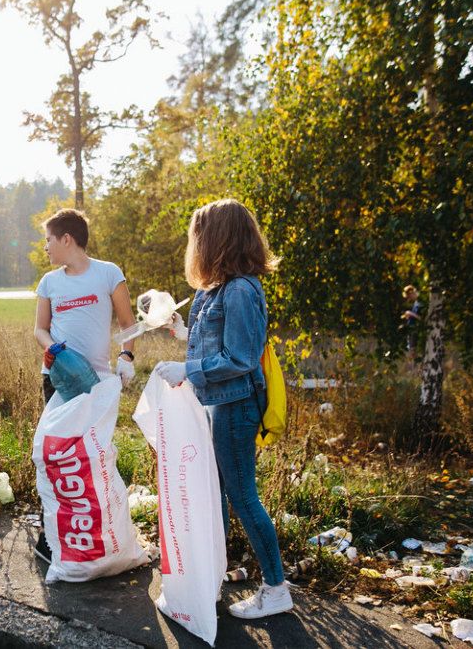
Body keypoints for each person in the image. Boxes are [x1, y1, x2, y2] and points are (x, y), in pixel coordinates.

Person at [154, 198, 293, 619]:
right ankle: (210, 579)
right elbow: (214, 342)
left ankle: (275, 588)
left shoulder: (241, 291)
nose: (194, 244)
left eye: (198, 236)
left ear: (217, 239)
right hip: (219, 404)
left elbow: (240, 358)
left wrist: (186, 368)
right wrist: (182, 333)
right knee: (215, 494)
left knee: (242, 497)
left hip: (236, 407)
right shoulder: (217, 289)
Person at [32, 208, 138, 562]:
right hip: (58, 380)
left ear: (67, 239)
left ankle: (95, 534)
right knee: (57, 459)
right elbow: (40, 328)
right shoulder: (49, 282)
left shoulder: (108, 274)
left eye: (48, 239)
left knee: (91, 457)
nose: (45, 246)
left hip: (96, 384)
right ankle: (53, 537)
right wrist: (53, 349)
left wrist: (127, 358)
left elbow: (128, 322)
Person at [401, 284, 422, 353]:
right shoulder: (416, 303)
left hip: (416, 330)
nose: (410, 298)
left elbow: (421, 318)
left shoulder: (420, 303)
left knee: (413, 350)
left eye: (410, 295)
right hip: (411, 329)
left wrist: (411, 314)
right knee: (410, 350)